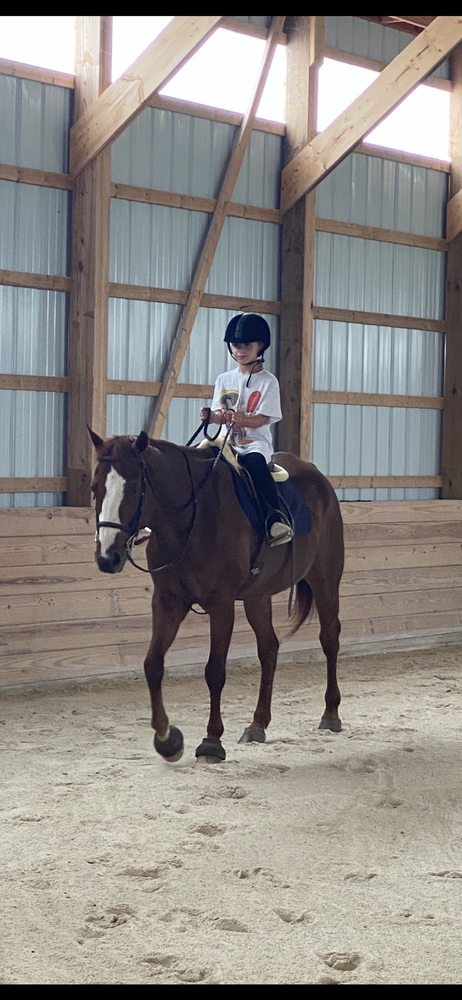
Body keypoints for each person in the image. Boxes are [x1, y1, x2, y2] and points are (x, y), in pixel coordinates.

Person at [200, 312, 293, 547]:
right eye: (235, 345)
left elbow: (264, 418)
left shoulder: (268, 382)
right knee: (195, 458)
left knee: (255, 465)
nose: (240, 351)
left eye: (246, 345)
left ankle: (274, 517)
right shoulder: (224, 379)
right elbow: (221, 413)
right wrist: (212, 417)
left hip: (254, 443)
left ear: (260, 346)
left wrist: (243, 420)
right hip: (225, 441)